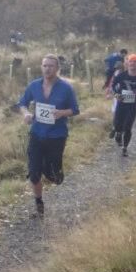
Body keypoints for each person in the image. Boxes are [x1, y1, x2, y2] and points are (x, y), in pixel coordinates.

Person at [18, 55, 80, 218]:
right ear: (41, 67)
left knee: (54, 176)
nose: (47, 69)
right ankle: (39, 204)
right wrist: (26, 114)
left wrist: (62, 113)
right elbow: (22, 103)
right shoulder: (34, 85)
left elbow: (75, 109)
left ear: (57, 68)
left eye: (51, 66)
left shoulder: (66, 88)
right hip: (37, 134)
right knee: (34, 173)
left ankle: (54, 173)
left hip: (56, 136)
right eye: (45, 65)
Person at [111, 54, 136, 156]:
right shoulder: (121, 76)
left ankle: (124, 148)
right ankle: (117, 132)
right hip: (121, 104)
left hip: (132, 106)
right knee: (118, 124)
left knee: (128, 127)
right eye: (131, 62)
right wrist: (116, 95)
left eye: (135, 62)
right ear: (127, 64)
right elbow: (112, 87)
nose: (133, 64)